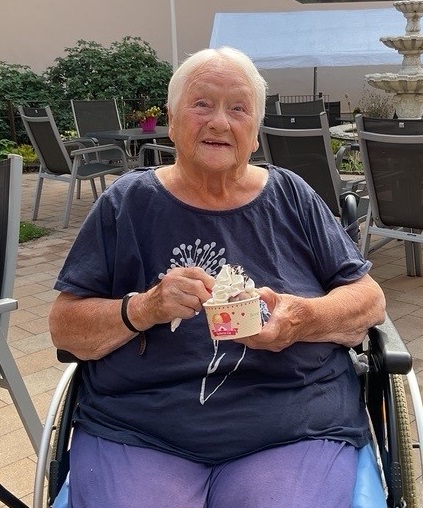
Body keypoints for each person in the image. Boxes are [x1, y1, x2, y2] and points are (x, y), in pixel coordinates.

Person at [49, 47, 386, 508]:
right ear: (171, 121)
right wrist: (143, 307)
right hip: (141, 427)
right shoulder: (126, 202)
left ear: (255, 132)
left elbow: (368, 299)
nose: (219, 122)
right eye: (201, 104)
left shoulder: (291, 196)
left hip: (291, 421)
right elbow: (65, 327)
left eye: (238, 108)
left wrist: (301, 319)